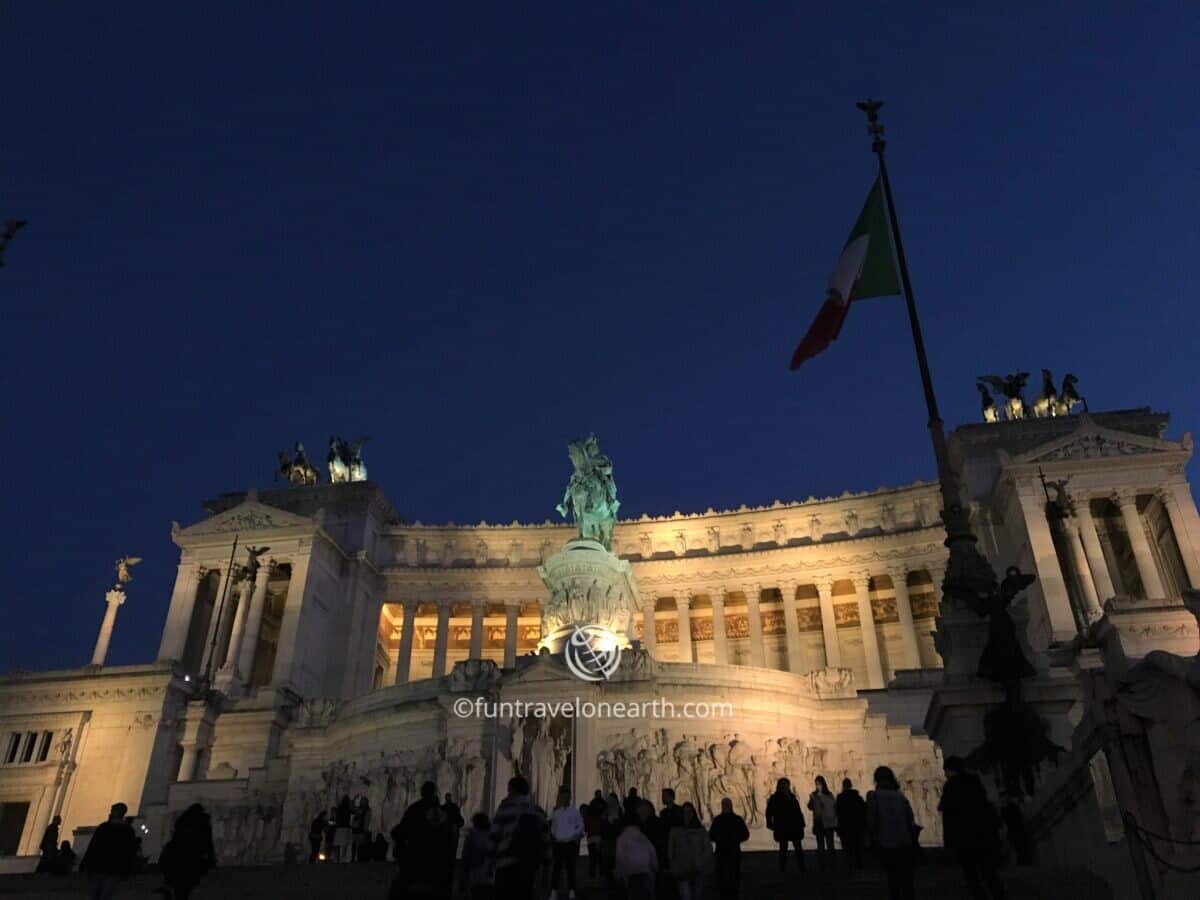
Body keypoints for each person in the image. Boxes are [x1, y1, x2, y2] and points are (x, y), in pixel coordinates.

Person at [939, 757, 1006, 899]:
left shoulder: (951, 786)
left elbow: (948, 814)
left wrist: (949, 841)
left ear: (951, 770)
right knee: (989, 872)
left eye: (946, 771)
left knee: (972, 875)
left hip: (964, 838)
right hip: (982, 834)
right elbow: (985, 805)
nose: (945, 774)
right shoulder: (974, 782)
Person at [390, 781, 455, 900]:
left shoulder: (414, 810)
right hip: (438, 870)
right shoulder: (444, 813)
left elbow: (399, 832)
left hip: (416, 865)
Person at [490, 775, 548, 900]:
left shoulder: (505, 808)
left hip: (506, 864)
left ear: (512, 790)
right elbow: (546, 839)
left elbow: (494, 835)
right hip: (529, 866)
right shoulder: (538, 811)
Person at [867, 766, 917, 900]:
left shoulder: (875, 796)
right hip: (904, 842)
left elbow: (871, 821)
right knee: (907, 881)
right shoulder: (900, 796)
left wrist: (872, 838)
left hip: (887, 843)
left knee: (893, 880)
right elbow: (910, 819)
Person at [158, 803, 217, 900]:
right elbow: (207, 841)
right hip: (192, 856)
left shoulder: (182, 821)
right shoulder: (203, 821)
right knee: (186, 884)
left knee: (179, 883)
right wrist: (210, 856)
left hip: (178, 854)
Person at [80, 802, 138, 900]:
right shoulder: (126, 830)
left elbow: (93, 846)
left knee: (100, 895)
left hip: (107, 868)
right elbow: (93, 846)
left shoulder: (107, 827)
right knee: (98, 895)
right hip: (106, 867)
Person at [614, 801, 658, 900]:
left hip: (631, 874)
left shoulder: (622, 838)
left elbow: (620, 857)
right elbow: (652, 852)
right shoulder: (642, 836)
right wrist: (655, 868)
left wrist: (620, 873)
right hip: (645, 872)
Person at [668, 802, 711, 900]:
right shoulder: (675, 830)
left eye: (689, 811)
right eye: (685, 812)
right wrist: (674, 865)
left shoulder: (700, 830)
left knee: (697, 895)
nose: (687, 814)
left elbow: (707, 848)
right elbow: (671, 850)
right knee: (686, 896)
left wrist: (701, 862)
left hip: (697, 868)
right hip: (682, 869)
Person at [708, 797, 749, 900]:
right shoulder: (735, 819)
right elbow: (745, 835)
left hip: (727, 852)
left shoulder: (719, 820)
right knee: (729, 877)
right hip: (729, 852)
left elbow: (711, 835)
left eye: (726, 805)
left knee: (730, 877)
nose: (725, 807)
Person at [549, 786, 584, 900]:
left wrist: (574, 835)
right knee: (557, 868)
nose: (565, 799)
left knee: (570, 868)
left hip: (570, 843)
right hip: (558, 843)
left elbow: (580, 825)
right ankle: (554, 891)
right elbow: (553, 826)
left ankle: (572, 890)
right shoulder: (556, 812)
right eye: (563, 797)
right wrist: (554, 836)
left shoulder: (574, 812)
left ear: (570, 798)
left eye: (567, 797)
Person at [764, 777, 805, 873]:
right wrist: (770, 823)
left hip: (794, 826)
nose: (786, 787)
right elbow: (769, 811)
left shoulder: (792, 796)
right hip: (783, 826)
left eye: (787, 785)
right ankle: (783, 868)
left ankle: (801, 867)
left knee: (798, 848)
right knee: (783, 849)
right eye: (784, 785)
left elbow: (798, 811)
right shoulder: (775, 798)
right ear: (780, 786)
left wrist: (801, 823)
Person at [836, 778, 868, 871]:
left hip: (846, 826)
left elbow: (838, 813)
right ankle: (859, 865)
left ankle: (851, 866)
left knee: (848, 848)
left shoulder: (841, 797)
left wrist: (839, 827)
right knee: (857, 847)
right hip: (856, 825)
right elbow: (862, 810)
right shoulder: (857, 797)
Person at [461, 813, 495, 900]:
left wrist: (463, 880)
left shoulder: (471, 837)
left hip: (475, 877)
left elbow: (465, 860)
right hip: (489, 877)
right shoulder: (492, 837)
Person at [807, 776, 837, 871]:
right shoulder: (814, 795)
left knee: (830, 845)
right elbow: (810, 807)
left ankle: (832, 864)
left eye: (819, 784)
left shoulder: (828, 794)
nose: (817, 786)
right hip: (819, 822)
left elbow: (833, 806)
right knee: (820, 846)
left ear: (823, 784)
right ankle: (822, 864)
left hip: (828, 822)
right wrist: (812, 799)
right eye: (816, 784)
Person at [583, 800, 604, 878]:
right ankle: (601, 874)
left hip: (591, 839)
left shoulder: (588, 817)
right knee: (600, 859)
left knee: (592, 859)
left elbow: (586, 828)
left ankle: (592, 875)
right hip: (598, 838)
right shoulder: (599, 816)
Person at [333, 795, 353, 862]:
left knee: (338, 844)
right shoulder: (347, 808)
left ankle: (337, 858)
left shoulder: (340, 808)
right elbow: (354, 812)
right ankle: (342, 858)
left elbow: (336, 818)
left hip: (339, 828)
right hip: (344, 828)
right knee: (344, 844)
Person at [352, 796, 372, 862]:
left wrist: (365, 830)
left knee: (360, 844)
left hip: (361, 829)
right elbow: (353, 809)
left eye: (363, 801)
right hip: (357, 829)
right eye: (362, 801)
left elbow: (367, 820)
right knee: (355, 844)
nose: (362, 802)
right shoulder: (359, 809)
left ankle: (359, 858)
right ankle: (354, 858)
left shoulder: (367, 810)